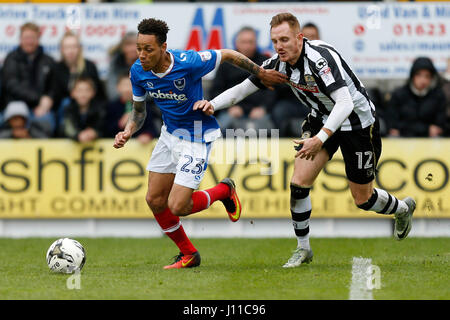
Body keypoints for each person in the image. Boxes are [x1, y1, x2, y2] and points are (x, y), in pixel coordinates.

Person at [195, 13, 416, 268]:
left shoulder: (320, 60)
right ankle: (303, 249)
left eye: (285, 39)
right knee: (298, 184)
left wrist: (320, 139)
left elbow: (344, 103)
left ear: (300, 38)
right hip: (320, 118)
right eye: (275, 40)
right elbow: (245, 88)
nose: (279, 46)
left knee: (363, 199)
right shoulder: (279, 63)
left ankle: (401, 209)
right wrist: (212, 104)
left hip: (357, 123)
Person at [113, 18, 286, 269]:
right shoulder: (138, 71)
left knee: (178, 205)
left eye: (148, 49)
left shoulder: (188, 62)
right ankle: (189, 254)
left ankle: (224, 191)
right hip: (169, 135)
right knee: (154, 200)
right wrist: (128, 130)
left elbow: (226, 54)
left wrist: (260, 73)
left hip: (196, 134)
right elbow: (139, 112)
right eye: (139, 48)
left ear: (163, 47)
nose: (141, 54)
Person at [209, 26, 276, 134]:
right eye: (244, 42)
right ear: (237, 43)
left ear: (256, 43)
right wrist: (228, 108)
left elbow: (272, 90)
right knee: (218, 132)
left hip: (258, 112)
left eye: (250, 42)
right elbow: (216, 90)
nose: (247, 46)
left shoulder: (265, 62)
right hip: (231, 111)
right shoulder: (226, 63)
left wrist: (263, 108)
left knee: (270, 132)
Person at [1, 22, 56, 131]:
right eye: (26, 37)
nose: (29, 41)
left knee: (48, 124)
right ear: (20, 39)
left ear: (38, 39)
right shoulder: (11, 59)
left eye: (33, 37)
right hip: (15, 106)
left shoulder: (48, 60)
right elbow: (12, 86)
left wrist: (48, 100)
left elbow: (54, 86)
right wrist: (39, 99)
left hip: (40, 109)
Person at [387, 57, 446, 138]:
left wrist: (404, 128)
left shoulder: (438, 96)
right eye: (419, 75)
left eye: (427, 76)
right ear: (412, 76)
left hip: (430, 140)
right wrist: (426, 129)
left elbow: (440, 125)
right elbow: (392, 125)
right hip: (403, 140)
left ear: (432, 78)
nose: (423, 80)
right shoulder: (399, 95)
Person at [52, 31, 106, 116]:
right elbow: (55, 97)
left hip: (89, 108)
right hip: (66, 111)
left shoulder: (89, 67)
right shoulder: (56, 68)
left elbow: (99, 95)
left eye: (74, 47)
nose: (71, 51)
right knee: (65, 103)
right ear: (62, 49)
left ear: (79, 48)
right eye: (67, 47)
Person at [104, 73, 157, 144]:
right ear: (118, 87)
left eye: (131, 85)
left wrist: (147, 135)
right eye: (124, 85)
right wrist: (119, 124)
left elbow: (152, 128)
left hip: (139, 147)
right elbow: (105, 130)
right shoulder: (111, 107)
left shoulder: (145, 106)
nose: (127, 89)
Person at [58, 77, 106, 142]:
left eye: (87, 90)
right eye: (79, 90)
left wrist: (95, 133)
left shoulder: (100, 109)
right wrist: (78, 135)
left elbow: (103, 128)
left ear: (93, 93)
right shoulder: (68, 109)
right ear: (72, 93)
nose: (83, 94)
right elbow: (67, 129)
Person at [106, 32, 139, 101]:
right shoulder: (115, 62)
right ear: (122, 47)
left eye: (136, 45)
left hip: (145, 103)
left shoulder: (148, 63)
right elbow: (112, 92)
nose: (132, 48)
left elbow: (152, 91)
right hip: (120, 102)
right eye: (129, 45)